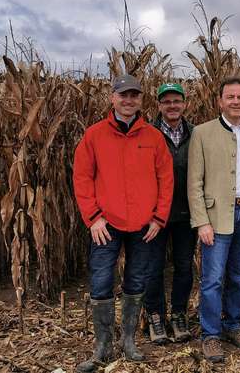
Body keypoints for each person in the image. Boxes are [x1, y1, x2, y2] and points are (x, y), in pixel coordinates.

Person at [73, 74, 174, 372]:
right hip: (106, 224)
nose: (128, 100)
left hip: (145, 224)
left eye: (134, 95)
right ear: (112, 98)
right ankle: (103, 346)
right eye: (123, 95)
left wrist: (159, 216)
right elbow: (82, 178)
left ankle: (128, 341)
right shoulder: (94, 135)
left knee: (136, 281)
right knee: (102, 281)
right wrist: (92, 218)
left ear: (141, 100)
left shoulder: (153, 137)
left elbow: (166, 179)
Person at [187, 76, 240, 363]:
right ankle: (210, 335)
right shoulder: (202, 132)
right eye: (230, 97)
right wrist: (202, 222)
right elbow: (194, 181)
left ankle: (233, 325)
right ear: (219, 100)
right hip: (217, 216)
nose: (235, 101)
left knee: (239, 276)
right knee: (212, 279)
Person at [143, 83, 196, 345]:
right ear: (159, 105)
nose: (172, 106)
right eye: (167, 102)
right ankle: (154, 316)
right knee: (153, 268)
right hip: (153, 216)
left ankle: (178, 315)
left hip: (186, 214)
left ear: (184, 103)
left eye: (177, 101)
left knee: (184, 267)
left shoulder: (195, 134)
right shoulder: (147, 133)